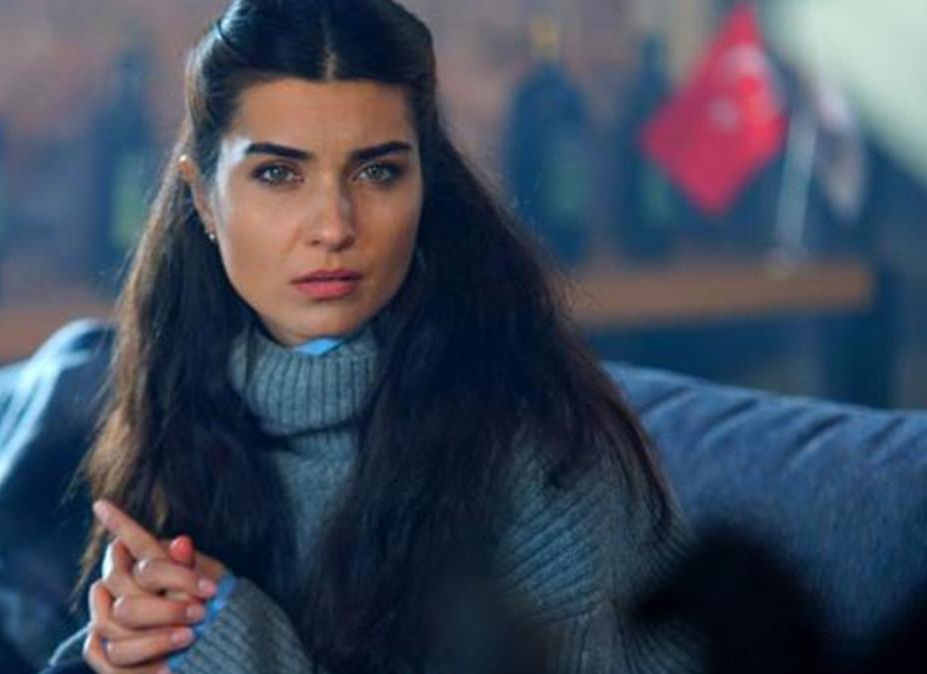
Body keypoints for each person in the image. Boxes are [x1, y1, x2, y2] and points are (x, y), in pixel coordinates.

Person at [47, 0, 701, 672]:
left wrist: (238, 648)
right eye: (278, 174)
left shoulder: (543, 451)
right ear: (203, 198)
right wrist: (125, 645)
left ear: (425, 184)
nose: (334, 226)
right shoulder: (175, 401)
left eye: (377, 172)